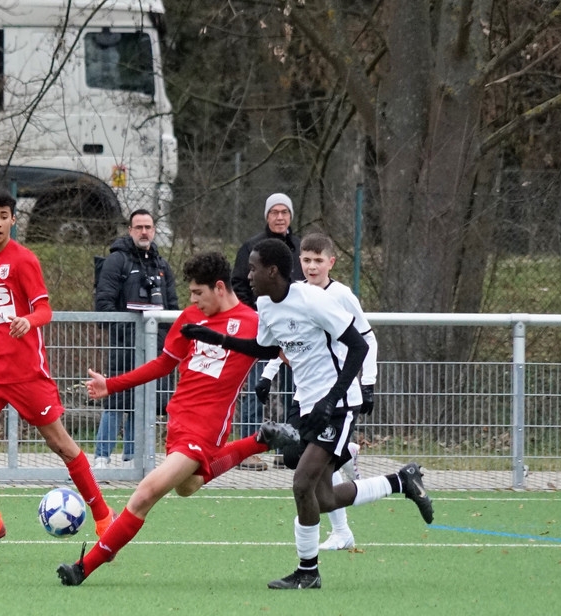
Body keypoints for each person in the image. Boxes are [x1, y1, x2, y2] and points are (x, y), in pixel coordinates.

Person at [182, 238, 433, 590]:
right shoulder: (266, 303)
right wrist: (217, 338)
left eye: (253, 269)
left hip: (338, 404)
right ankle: (401, 481)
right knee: (323, 497)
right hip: (307, 404)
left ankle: (308, 571)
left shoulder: (314, 300)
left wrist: (332, 400)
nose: (248, 276)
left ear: (272, 271)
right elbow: (266, 348)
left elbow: (359, 345)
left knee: (302, 483)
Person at [57, 251, 300, 586]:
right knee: (187, 486)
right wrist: (111, 385)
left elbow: (295, 355)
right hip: (178, 421)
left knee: (146, 493)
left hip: (207, 428)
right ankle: (258, 441)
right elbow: (163, 365)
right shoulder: (191, 317)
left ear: (219, 288)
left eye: (198, 292)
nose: (192, 300)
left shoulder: (254, 323)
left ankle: (86, 565)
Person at [0, 190, 115, 556]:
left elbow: (45, 310)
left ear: (13, 220)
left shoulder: (25, 260)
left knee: (61, 445)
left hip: (27, 372)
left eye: (4, 216)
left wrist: (28, 321)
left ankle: (105, 518)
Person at [257, 230, 378, 551]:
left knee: (307, 471)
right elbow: (285, 341)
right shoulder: (291, 295)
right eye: (307, 260)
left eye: (318, 260)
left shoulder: (340, 296)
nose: (312, 266)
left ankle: (323, 548)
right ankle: (349, 458)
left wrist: (368, 382)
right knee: (295, 461)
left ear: (331, 262)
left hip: (333, 395)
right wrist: (268, 374)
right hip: (304, 394)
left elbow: (365, 340)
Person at [93, 209, 178, 467]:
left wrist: (160, 340)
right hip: (124, 345)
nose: (144, 232)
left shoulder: (162, 266)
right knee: (116, 398)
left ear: (154, 230)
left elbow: (172, 308)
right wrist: (131, 334)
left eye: (148, 227)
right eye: (139, 227)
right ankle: (102, 456)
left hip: (155, 349)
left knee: (144, 401)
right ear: (130, 230)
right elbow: (104, 304)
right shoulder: (117, 261)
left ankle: (132, 457)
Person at [230, 193, 304, 467]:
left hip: (296, 333)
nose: (280, 217)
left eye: (284, 212)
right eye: (275, 212)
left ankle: (288, 450)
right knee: (255, 389)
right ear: (267, 216)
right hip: (262, 332)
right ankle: (249, 450)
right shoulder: (251, 247)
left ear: (291, 216)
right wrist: (257, 314)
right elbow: (239, 284)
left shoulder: (300, 247)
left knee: (294, 391)